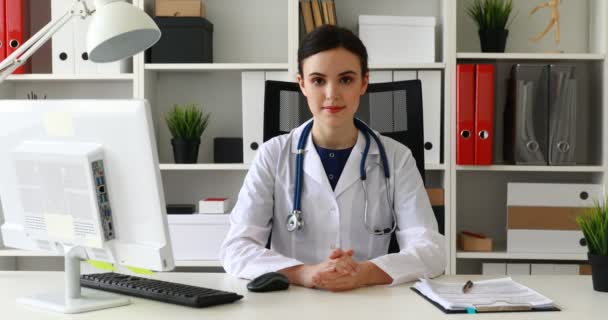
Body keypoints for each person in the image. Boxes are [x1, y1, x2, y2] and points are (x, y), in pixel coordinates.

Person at [220, 25, 445, 292]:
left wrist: (365, 273)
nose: (331, 94)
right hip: (292, 302)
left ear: (364, 83)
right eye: (318, 80)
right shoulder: (273, 155)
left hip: (370, 301)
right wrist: (304, 273)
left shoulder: (396, 158)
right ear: (302, 84)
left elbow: (431, 250)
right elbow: (236, 248)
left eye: (346, 79)